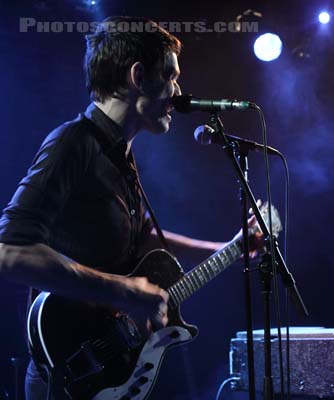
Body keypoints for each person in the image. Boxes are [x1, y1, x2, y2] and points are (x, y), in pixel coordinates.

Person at [0, 17, 261, 399]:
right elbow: (9, 251)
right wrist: (123, 291)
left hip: (106, 369)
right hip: (70, 373)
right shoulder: (74, 143)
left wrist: (231, 249)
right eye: (171, 76)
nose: (178, 91)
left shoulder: (119, 153)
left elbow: (140, 236)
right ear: (139, 76)